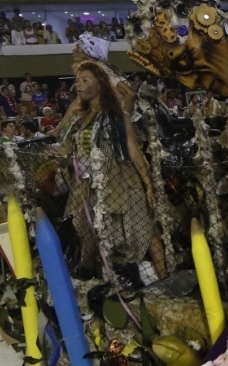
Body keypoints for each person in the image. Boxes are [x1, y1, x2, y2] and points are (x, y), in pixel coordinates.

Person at [50, 61, 166, 276]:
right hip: (85, 187)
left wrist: (149, 185)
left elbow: (133, 150)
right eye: (77, 81)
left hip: (117, 182)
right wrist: (60, 159)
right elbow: (68, 149)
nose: (79, 85)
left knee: (135, 231)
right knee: (87, 235)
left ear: (101, 85)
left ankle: (156, 277)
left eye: (85, 80)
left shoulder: (117, 116)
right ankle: (100, 278)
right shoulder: (78, 118)